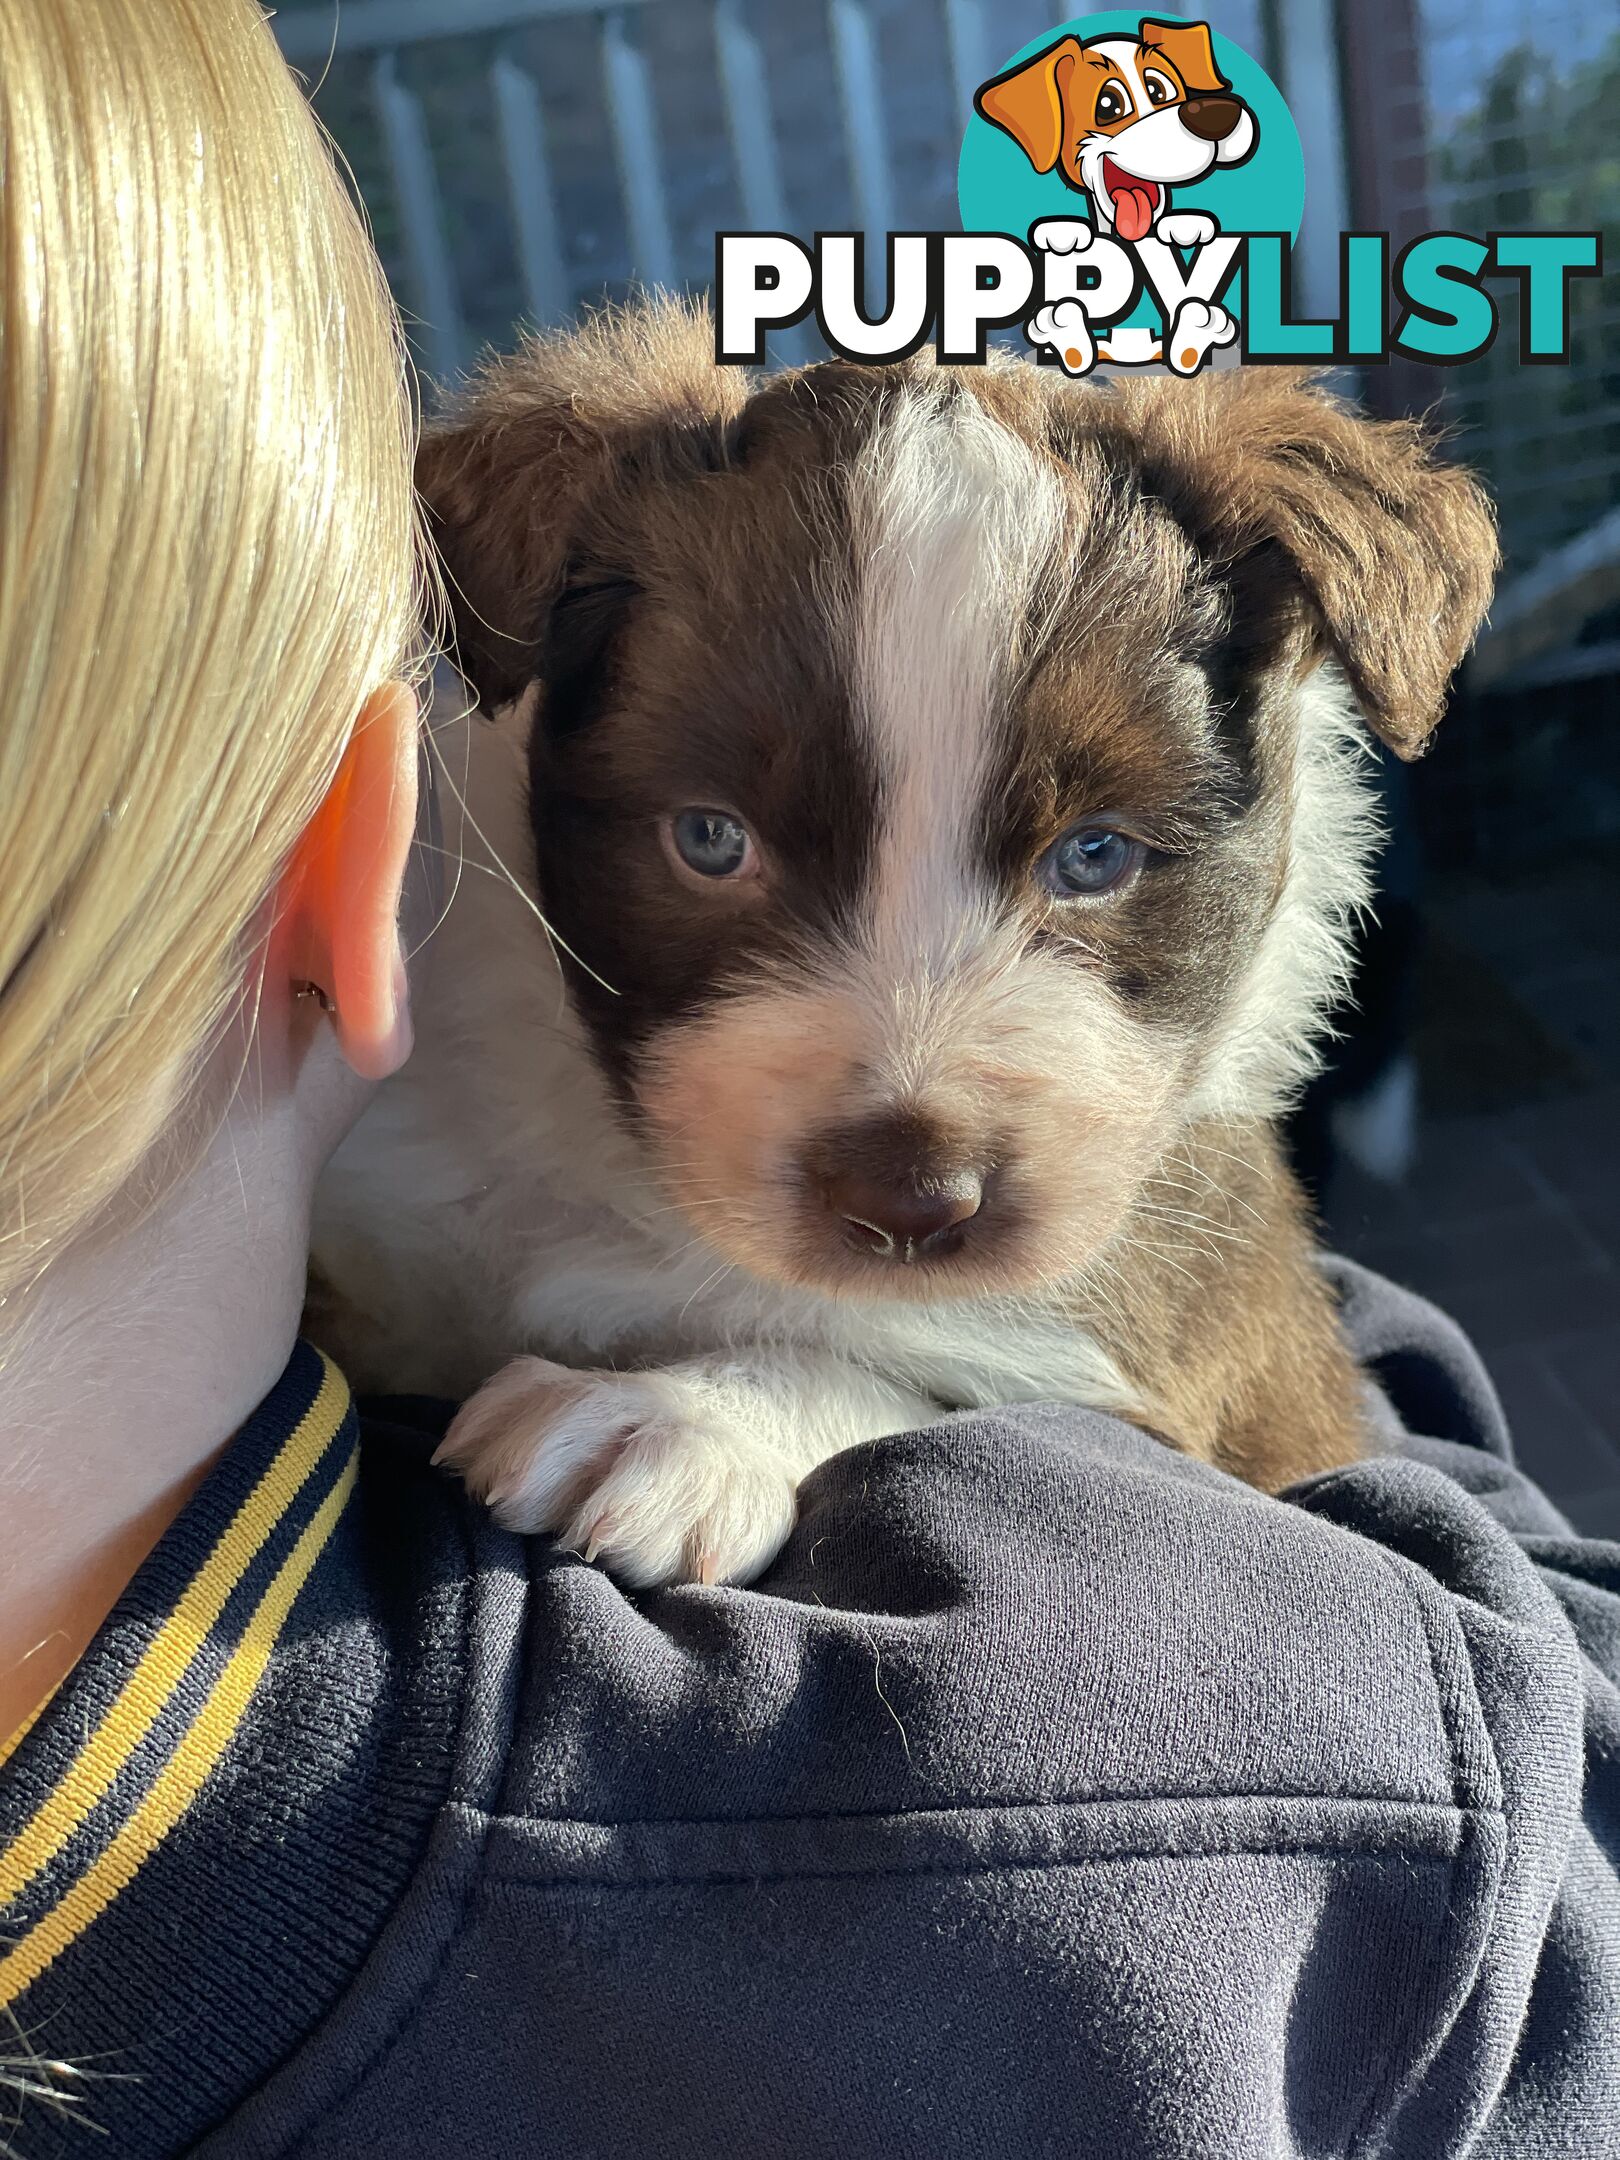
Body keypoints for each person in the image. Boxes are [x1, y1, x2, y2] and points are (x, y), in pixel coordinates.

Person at [0, 5, 1616, 2156]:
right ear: (384, 825)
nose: (907, 1096)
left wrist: (807, 1396)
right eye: (720, 847)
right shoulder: (1240, 1836)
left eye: (1095, 860)